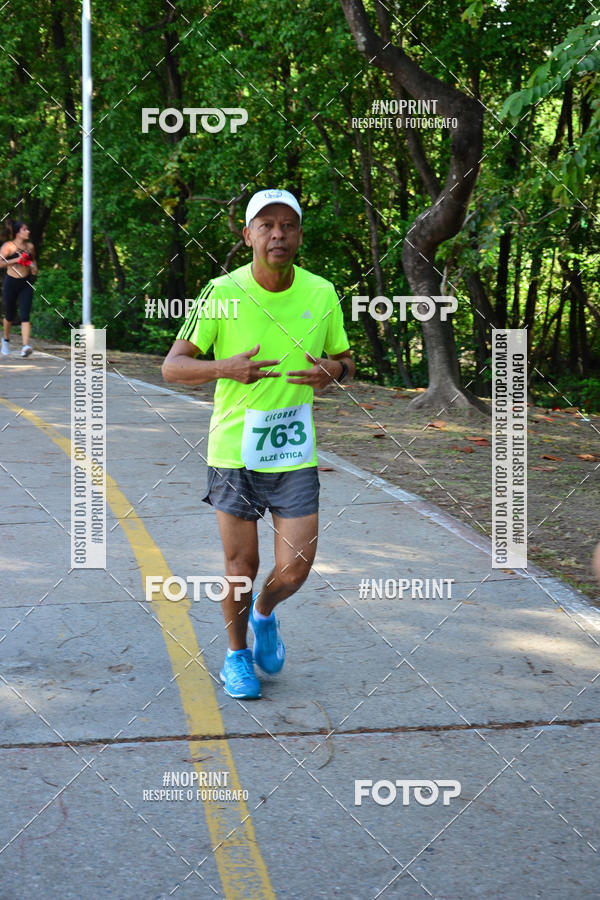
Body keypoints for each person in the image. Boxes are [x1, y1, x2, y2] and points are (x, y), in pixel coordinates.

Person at [162, 188, 355, 699]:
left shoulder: (321, 293)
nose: (278, 234)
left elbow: (347, 362)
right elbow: (173, 367)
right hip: (234, 454)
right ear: (247, 235)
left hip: (294, 453)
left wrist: (333, 370)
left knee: (295, 569)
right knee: (240, 568)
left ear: (298, 235)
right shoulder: (221, 292)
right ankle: (236, 655)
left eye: (287, 225)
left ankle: (266, 613)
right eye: (266, 225)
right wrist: (224, 368)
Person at [1, 220, 38, 357]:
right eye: (25, 229)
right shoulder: (8, 246)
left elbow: (34, 266)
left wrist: (33, 267)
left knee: (25, 315)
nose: (28, 231)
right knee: (10, 315)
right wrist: (17, 260)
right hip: (10, 283)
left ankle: (25, 346)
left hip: (26, 283)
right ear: (18, 232)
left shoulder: (30, 246)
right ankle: (5, 340)